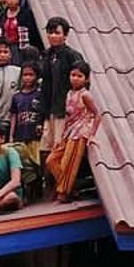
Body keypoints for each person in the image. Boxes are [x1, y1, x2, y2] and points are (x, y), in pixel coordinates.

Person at [45, 61, 101, 202]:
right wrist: (61, 136)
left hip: (80, 132)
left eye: (79, 76)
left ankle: (63, 193)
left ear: (86, 79)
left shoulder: (85, 95)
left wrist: (92, 134)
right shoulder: (69, 93)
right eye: (73, 75)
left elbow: (97, 114)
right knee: (51, 160)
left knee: (69, 163)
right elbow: (68, 117)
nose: (75, 78)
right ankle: (69, 188)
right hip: (69, 131)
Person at [39, 17, 85, 165]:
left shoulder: (72, 56)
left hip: (64, 111)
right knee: (44, 149)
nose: (53, 36)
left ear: (65, 35)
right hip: (48, 110)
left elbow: (82, 84)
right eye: (50, 32)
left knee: (58, 151)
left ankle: (61, 186)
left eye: (57, 33)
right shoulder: (46, 55)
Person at [9, 62, 44, 199]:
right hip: (21, 135)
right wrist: (11, 135)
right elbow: (13, 116)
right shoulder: (16, 97)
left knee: (37, 163)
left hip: (35, 135)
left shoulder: (40, 95)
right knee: (24, 165)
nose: (28, 78)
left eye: (31, 75)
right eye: (25, 75)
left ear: (36, 76)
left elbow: (43, 114)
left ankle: (39, 189)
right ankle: (28, 190)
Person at [0, 0, 43, 64]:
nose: (11, 0)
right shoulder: (3, 16)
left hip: (22, 50)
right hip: (6, 50)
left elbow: (34, 34)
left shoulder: (26, 14)